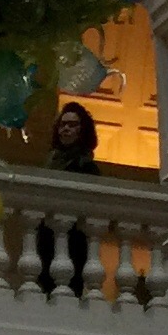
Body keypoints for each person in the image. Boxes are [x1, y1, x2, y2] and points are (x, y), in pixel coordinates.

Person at [38, 102, 99, 295]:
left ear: (82, 130)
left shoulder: (87, 166)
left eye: (72, 125)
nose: (65, 129)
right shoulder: (51, 161)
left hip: (74, 239)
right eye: (63, 124)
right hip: (47, 236)